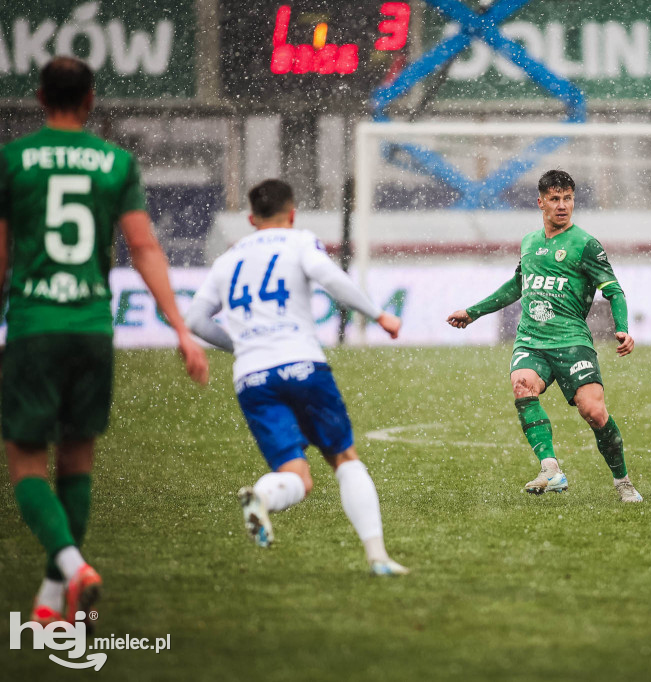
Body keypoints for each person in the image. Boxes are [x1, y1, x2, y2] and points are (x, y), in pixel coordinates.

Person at [0, 57, 209, 626]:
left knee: (25, 465)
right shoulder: (115, 163)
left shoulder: (13, 160)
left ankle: (72, 565)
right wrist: (180, 328)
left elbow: (0, 256)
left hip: (35, 326)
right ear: (91, 100)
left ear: (39, 97)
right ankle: (52, 601)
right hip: (92, 327)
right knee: (77, 462)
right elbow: (143, 248)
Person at [185, 179, 408, 575]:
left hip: (252, 377)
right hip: (303, 366)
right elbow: (332, 279)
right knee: (343, 458)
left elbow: (196, 321)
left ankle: (263, 496)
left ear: (251, 218)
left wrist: (241, 347)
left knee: (296, 476)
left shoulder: (227, 260)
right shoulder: (299, 241)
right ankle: (377, 557)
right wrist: (378, 314)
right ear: (292, 213)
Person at [446, 170, 642, 502]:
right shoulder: (530, 243)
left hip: (571, 340)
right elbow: (516, 286)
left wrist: (621, 326)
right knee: (522, 383)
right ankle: (550, 469)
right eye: (555, 199)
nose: (562, 205)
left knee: (593, 411)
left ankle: (622, 480)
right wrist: (473, 311)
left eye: (568, 198)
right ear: (541, 203)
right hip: (531, 340)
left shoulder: (585, 244)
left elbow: (615, 291)